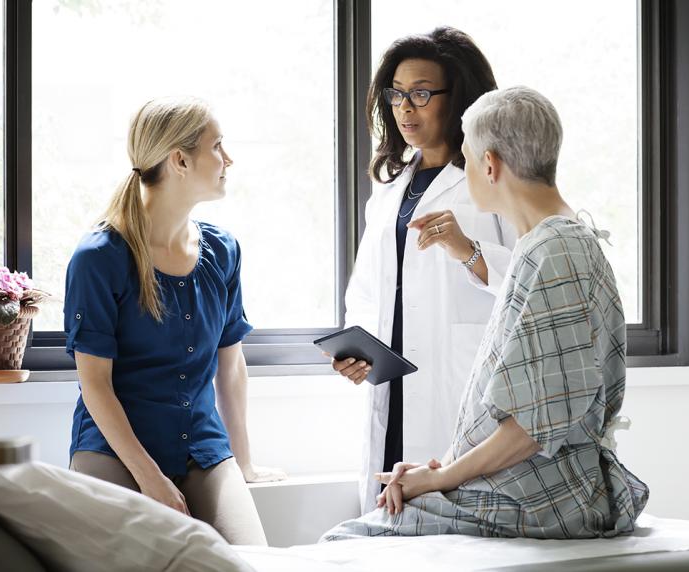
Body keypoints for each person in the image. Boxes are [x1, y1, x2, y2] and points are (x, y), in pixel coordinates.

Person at [323, 86, 649, 540]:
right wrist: (443, 469)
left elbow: (533, 427)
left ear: (490, 164)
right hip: (517, 481)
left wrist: (441, 479)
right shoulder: (548, 244)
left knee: (348, 542)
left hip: (541, 495)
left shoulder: (556, 250)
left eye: (469, 158)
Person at [63, 97, 283, 545]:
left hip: (202, 449)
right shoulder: (98, 258)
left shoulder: (223, 252)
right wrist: (151, 479)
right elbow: (96, 385)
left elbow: (231, 366)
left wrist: (242, 463)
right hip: (115, 451)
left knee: (255, 561)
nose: (229, 159)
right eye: (218, 146)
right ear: (179, 160)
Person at [329, 27, 517, 514]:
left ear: (458, 99)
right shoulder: (390, 190)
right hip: (392, 387)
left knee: (449, 533)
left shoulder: (495, 178)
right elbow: (368, 293)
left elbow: (533, 277)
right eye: (396, 94)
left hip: (456, 388)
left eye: (420, 94)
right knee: (388, 527)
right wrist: (359, 351)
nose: (405, 108)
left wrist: (467, 249)